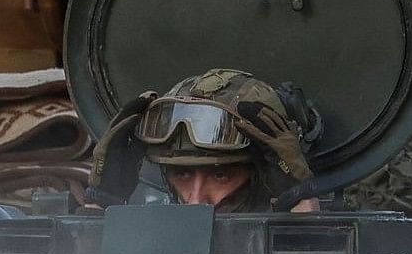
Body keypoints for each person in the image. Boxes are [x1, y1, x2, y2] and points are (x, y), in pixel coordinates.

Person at [127, 68, 318, 211]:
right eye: (182, 174)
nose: (196, 201)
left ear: (263, 176)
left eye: (220, 176)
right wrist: (100, 202)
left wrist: (299, 200)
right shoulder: (150, 237)